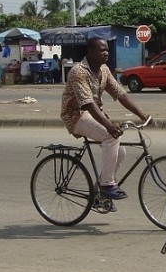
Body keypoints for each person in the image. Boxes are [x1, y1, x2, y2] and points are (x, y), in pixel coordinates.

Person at [61, 37, 149, 201]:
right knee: (111, 135)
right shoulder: (78, 71)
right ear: (91, 52)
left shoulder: (104, 70)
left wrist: (142, 114)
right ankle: (107, 185)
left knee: (120, 152)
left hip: (92, 113)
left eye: (107, 49)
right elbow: (88, 104)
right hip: (76, 115)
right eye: (102, 50)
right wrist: (108, 125)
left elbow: (120, 94)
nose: (106, 53)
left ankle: (98, 194)